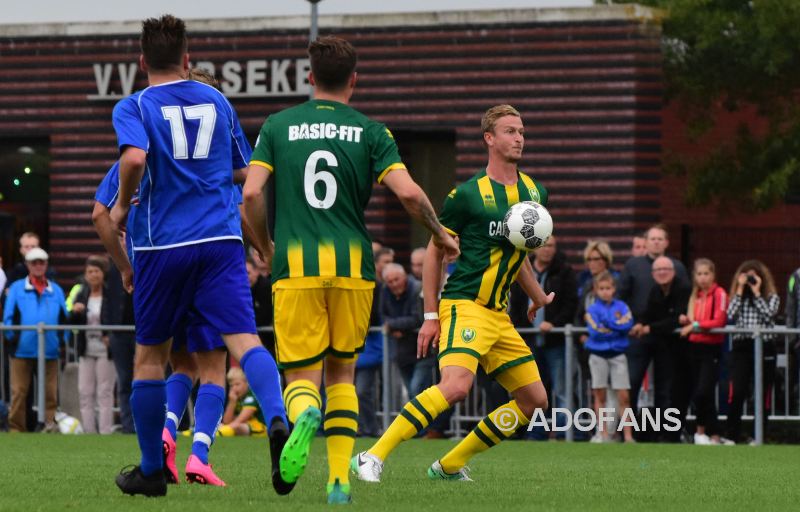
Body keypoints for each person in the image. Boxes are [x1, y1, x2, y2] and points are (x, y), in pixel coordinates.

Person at [242, 36, 458, 504]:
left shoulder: (277, 126)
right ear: (354, 80)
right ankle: (339, 479)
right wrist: (438, 232)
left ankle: (303, 414)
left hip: (295, 267)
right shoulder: (372, 132)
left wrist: (264, 246)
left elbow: (252, 195)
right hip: (354, 268)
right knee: (343, 374)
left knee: (302, 378)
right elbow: (407, 194)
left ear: (310, 76)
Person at [103, 15, 289, 497]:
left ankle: (150, 470)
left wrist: (123, 203)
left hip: (164, 245)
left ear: (142, 62)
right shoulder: (217, 100)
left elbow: (135, 159)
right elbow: (248, 177)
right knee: (244, 342)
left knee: (151, 360)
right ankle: (276, 418)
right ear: (188, 59)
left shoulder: (136, 104)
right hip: (221, 243)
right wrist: (262, 244)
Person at [353, 104, 553, 483]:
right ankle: (371, 455)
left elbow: (519, 253)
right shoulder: (466, 195)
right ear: (489, 139)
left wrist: (538, 297)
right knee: (456, 386)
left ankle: (449, 465)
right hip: (466, 305)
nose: (519, 138)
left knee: (534, 402)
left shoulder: (534, 192)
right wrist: (431, 316)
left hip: (500, 314)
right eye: (510, 131)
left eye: (522, 131)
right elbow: (435, 249)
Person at [509, 236, 577, 437]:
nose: (548, 250)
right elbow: (516, 304)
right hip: (529, 340)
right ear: (536, 248)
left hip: (556, 340)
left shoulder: (564, 272)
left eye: (552, 246)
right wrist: (520, 326)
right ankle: (535, 433)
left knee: (561, 389)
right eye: (545, 246)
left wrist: (555, 323)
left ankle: (567, 432)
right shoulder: (522, 269)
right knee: (534, 390)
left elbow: (570, 303)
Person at [619, 224, 689, 412]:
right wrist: (630, 324)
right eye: (653, 239)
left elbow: (684, 301)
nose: (656, 242)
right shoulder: (633, 266)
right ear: (646, 242)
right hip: (638, 334)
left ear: (666, 243)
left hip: (667, 336)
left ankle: (661, 433)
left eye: (660, 239)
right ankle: (629, 432)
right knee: (631, 382)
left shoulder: (677, 267)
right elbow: (621, 297)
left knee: (665, 386)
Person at [3, 248, 68, 432]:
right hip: (21, 350)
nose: (38, 266)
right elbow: (8, 317)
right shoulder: (16, 288)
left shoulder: (56, 290)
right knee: (19, 392)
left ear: (46, 265)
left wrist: (61, 341)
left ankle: (49, 426)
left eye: (42, 262)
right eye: (34, 263)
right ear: (27, 265)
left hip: (49, 349)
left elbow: (64, 317)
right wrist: (13, 339)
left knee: (50, 393)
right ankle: (16, 429)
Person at [629, 256, 690, 441]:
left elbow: (677, 318)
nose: (662, 273)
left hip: (681, 350)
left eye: (666, 269)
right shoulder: (656, 290)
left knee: (674, 393)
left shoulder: (683, 289)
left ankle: (672, 434)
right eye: (658, 270)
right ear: (653, 274)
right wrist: (640, 323)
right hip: (662, 347)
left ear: (673, 271)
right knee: (661, 391)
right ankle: (658, 433)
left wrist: (649, 328)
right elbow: (650, 313)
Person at [725, 260, 779, 444]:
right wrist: (740, 290)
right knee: (737, 391)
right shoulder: (737, 296)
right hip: (742, 346)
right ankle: (732, 435)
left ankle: (759, 435)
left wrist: (757, 293)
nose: (749, 279)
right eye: (746, 275)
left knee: (763, 394)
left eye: (753, 276)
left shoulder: (771, 296)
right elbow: (730, 315)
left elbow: (769, 315)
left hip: (765, 346)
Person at [678, 258, 727, 445]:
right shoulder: (694, 296)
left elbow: (719, 321)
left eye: (706, 273)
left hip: (711, 348)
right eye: (699, 274)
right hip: (694, 347)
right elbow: (692, 320)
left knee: (703, 391)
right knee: (700, 393)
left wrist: (695, 326)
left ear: (713, 275)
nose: (703, 278)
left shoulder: (719, 294)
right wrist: (686, 321)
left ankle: (700, 431)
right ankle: (713, 434)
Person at [583, 271, 634, 443]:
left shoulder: (622, 306)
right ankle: (603, 434)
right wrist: (616, 328)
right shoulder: (592, 309)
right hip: (598, 354)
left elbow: (627, 324)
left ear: (614, 289)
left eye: (609, 288)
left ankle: (628, 436)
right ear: (596, 290)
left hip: (618, 354)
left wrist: (609, 324)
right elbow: (595, 332)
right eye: (602, 288)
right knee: (600, 395)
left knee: (624, 396)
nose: (605, 291)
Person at [69, 256, 117, 434]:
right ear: (85, 274)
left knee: (104, 391)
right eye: (89, 272)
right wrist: (75, 311)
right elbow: (70, 321)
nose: (93, 275)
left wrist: (109, 335)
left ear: (103, 273)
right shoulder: (81, 293)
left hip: (105, 349)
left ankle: (105, 431)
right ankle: (89, 431)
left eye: (96, 271)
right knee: (85, 391)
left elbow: (115, 318)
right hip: (86, 347)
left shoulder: (111, 294)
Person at [218, 367, 267, 437]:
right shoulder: (236, 396)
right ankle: (223, 432)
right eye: (231, 386)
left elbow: (240, 420)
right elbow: (226, 421)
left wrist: (225, 428)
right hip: (245, 425)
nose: (234, 388)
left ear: (247, 383)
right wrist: (232, 402)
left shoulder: (252, 394)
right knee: (220, 425)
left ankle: (220, 433)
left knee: (236, 427)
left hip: (261, 427)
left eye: (237, 384)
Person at [246, 256, 274, 356]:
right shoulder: (242, 289)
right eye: (242, 273)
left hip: (270, 339)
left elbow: (266, 316)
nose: (245, 277)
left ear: (256, 272)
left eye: (248, 273)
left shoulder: (266, 287)